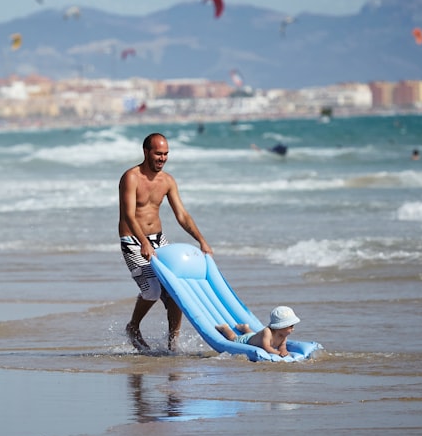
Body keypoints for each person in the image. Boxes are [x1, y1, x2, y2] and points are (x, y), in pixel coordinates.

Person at [119, 132, 214, 352]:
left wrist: (202, 241)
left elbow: (182, 215)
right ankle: (133, 327)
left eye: (166, 154)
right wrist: (143, 242)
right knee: (151, 290)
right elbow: (128, 216)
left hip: (158, 239)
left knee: (174, 291)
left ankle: (173, 344)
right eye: (158, 153)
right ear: (146, 152)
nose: (162, 158)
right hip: (133, 240)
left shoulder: (167, 180)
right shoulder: (131, 177)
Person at [215, 306, 301, 358]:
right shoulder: (267, 332)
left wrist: (284, 351)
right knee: (233, 338)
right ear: (281, 327)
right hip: (247, 340)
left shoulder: (283, 335)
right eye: (291, 326)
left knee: (252, 334)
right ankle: (225, 328)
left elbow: (282, 347)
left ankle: (244, 328)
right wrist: (278, 353)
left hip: (253, 336)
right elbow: (266, 347)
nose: (293, 329)